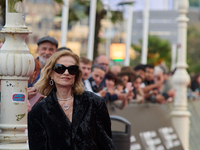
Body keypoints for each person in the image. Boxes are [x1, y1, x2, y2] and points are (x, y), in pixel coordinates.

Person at [28, 50, 115, 150]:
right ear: (51, 73)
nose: (66, 73)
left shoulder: (95, 103)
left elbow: (107, 144)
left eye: (72, 69)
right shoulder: (38, 112)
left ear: (76, 74)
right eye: (60, 68)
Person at [28, 36, 58, 100]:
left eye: (51, 49)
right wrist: (24, 95)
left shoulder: (60, 71)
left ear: (56, 51)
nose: (47, 52)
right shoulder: (28, 68)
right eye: (44, 49)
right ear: (38, 50)